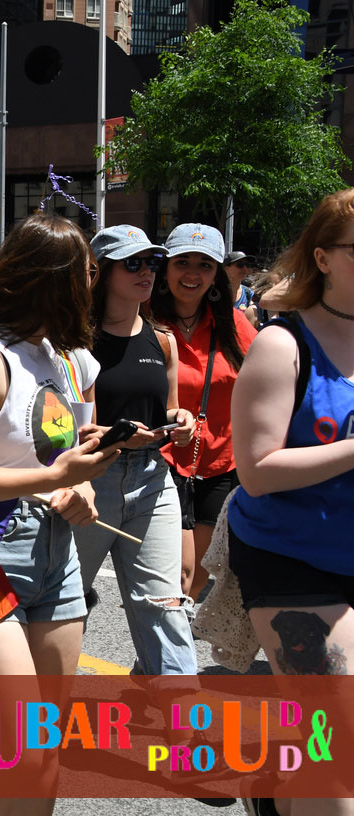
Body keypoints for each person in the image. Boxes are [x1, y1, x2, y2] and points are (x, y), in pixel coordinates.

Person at [0, 214, 117, 814]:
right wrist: (54, 478)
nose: (95, 282)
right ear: (55, 277)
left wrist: (80, 480)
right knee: (17, 748)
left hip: (55, 550)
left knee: (46, 746)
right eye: (88, 270)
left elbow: (53, 455)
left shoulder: (58, 357)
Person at [226, 190, 354, 816]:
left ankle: (275, 790)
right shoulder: (283, 345)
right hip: (292, 561)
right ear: (323, 259)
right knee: (337, 749)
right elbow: (256, 471)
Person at [74, 225, 199, 676]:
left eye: (153, 262)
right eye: (133, 263)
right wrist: (115, 436)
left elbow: (169, 408)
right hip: (91, 478)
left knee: (166, 606)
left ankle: (181, 712)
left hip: (152, 480)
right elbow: (68, 427)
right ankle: (34, 704)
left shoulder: (163, 339)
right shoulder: (77, 340)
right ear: (103, 272)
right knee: (65, 602)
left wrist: (181, 422)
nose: (147, 271)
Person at [148, 224, 256, 601]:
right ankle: (168, 640)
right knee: (180, 573)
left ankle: (170, 638)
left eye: (204, 265)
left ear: (216, 275)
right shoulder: (144, 322)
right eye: (182, 262)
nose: (192, 274)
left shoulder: (235, 325)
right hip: (162, 461)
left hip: (220, 463)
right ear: (166, 268)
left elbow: (264, 383)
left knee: (199, 578)